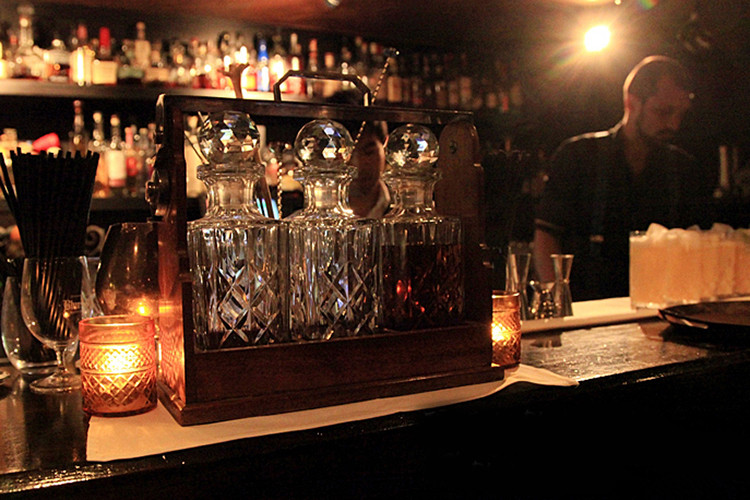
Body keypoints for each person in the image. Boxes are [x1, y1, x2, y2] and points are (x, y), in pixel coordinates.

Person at [533, 55, 714, 300]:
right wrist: (556, 298)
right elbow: (546, 235)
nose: (673, 124)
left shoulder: (683, 167)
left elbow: (698, 246)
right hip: (587, 308)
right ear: (631, 103)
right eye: (663, 112)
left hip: (661, 307)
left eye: (680, 114)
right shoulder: (579, 155)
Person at [326, 89, 391, 218]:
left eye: (368, 152)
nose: (357, 165)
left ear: (385, 144)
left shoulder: (403, 213)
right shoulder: (307, 223)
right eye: (345, 154)